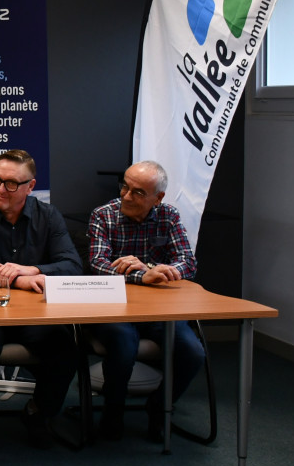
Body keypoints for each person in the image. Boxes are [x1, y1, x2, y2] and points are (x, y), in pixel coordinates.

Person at [0, 149, 81, 449]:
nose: (0, 189)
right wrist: (19, 279)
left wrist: (34, 269)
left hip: (34, 314)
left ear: (30, 186)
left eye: (11, 183)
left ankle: (38, 412)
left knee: (64, 348)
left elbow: (72, 265)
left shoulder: (48, 216)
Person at [86, 160, 205, 441]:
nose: (127, 196)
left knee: (193, 353)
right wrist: (144, 276)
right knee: (123, 344)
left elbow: (188, 263)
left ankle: (159, 407)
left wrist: (151, 267)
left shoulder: (168, 216)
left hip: (158, 310)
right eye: (125, 187)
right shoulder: (104, 215)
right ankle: (113, 411)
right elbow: (97, 264)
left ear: (158, 197)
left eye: (138, 192)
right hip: (115, 309)